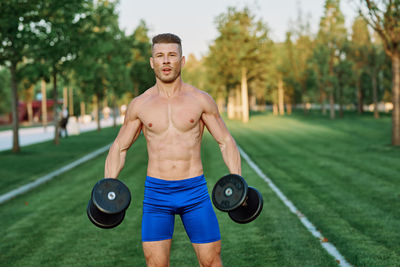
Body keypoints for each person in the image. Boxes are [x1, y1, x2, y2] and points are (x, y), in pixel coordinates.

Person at [104, 33, 241, 267]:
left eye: (171, 55)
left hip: (195, 192)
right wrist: (108, 190)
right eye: (159, 56)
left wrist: (237, 181)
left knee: (211, 261)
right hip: (157, 195)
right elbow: (119, 146)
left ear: (182, 60)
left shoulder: (200, 100)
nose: (165, 61)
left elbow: (226, 141)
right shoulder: (140, 105)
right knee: (156, 264)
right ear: (152, 62)